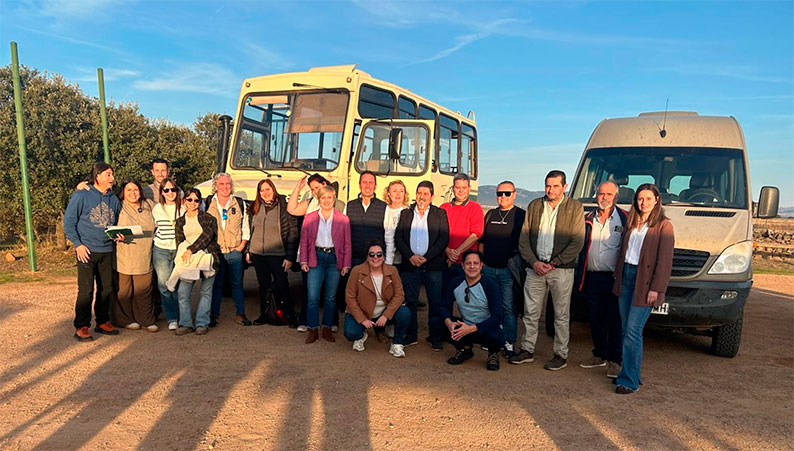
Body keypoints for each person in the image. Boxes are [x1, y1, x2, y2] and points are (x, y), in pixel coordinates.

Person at [510, 170, 585, 371]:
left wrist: (555, 263)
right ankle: (527, 349)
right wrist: (533, 262)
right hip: (535, 268)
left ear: (564, 187)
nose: (550, 190)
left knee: (561, 314)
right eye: (548, 185)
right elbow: (524, 238)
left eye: (555, 186)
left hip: (561, 270)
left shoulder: (575, 207)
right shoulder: (534, 206)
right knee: (530, 312)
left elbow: (577, 241)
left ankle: (560, 354)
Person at [613, 184, 674, 394]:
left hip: (645, 282)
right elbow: (624, 252)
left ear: (657, 200)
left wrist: (656, 289)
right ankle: (632, 373)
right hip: (626, 278)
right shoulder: (631, 222)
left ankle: (628, 380)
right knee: (625, 330)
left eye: (648, 198)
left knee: (633, 330)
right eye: (640, 198)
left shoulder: (663, 226)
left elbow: (664, 262)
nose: (644, 202)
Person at [64, 161, 121, 341]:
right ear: (97, 176)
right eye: (108, 175)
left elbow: (116, 223)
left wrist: (117, 235)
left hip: (106, 250)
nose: (112, 178)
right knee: (86, 290)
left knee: (106, 289)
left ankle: (103, 321)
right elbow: (69, 222)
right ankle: (81, 326)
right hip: (86, 250)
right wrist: (77, 244)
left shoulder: (114, 199)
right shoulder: (82, 195)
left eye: (112, 174)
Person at [575, 182, 627, 379]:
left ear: (616, 197)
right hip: (591, 276)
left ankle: (615, 360)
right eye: (601, 193)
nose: (604, 197)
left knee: (615, 320)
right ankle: (599, 354)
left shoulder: (625, 219)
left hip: (614, 278)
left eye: (609, 194)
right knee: (595, 318)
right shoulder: (587, 218)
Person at [395, 181, 450, 351]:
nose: (422, 196)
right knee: (410, 301)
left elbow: (443, 238)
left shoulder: (440, 214)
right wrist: (410, 256)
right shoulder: (406, 213)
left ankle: (435, 337)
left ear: (432, 196)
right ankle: (411, 335)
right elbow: (399, 238)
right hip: (410, 265)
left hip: (433, 265)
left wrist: (426, 258)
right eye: (419, 193)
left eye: (426, 194)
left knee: (435, 302)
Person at [288, 173, 344, 332]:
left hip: (332, 253)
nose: (314, 191)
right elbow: (291, 209)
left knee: (331, 291)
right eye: (312, 189)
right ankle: (306, 321)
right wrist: (297, 189)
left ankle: (331, 322)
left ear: (325, 184)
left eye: (317, 187)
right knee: (309, 290)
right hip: (313, 253)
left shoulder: (339, 204)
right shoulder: (310, 203)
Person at [479, 180, 526, 358]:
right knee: (490, 305)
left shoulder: (521, 215)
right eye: (500, 193)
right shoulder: (490, 214)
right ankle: (492, 338)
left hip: (508, 270)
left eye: (507, 193)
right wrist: (481, 262)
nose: (503, 197)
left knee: (508, 306)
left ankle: (508, 340)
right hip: (489, 267)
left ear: (514, 194)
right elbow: (482, 241)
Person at [299, 185, 351, 343]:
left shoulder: (343, 219)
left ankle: (327, 327)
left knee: (330, 296)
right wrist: (303, 260)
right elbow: (304, 241)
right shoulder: (310, 217)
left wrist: (346, 264)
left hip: (335, 258)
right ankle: (312, 328)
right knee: (312, 296)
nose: (327, 201)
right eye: (323, 198)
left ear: (334, 199)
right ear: (319, 199)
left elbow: (347, 244)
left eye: (329, 197)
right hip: (317, 257)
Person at [245, 179, 299, 326]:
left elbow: (292, 233)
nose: (265, 193)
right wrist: (249, 250)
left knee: (282, 285)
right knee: (263, 286)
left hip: (277, 254)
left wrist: (290, 257)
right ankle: (264, 314)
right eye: (262, 190)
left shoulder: (284, 207)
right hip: (258, 254)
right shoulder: (254, 208)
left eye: (267, 189)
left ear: (273, 190)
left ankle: (290, 315)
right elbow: (251, 230)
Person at [344, 240, 410, 358]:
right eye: (372, 254)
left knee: (405, 312)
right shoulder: (356, 271)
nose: (376, 257)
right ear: (367, 257)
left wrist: (386, 315)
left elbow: (399, 295)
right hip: (363, 313)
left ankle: (397, 343)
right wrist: (362, 319)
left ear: (384, 256)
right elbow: (350, 297)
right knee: (350, 333)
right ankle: (361, 336)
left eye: (379, 254)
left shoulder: (392, 271)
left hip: (383, 313)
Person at [442, 250, 504, 371]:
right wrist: (449, 323)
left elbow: (498, 316)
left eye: (475, 263)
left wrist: (472, 328)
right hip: (466, 324)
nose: (472, 267)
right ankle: (465, 349)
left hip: (486, 327)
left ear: (481, 266)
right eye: (468, 263)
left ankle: (493, 354)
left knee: (496, 335)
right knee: (439, 322)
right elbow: (444, 306)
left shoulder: (490, 285)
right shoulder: (456, 282)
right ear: (462, 265)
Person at [204, 172, 251, 326]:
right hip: (216, 251)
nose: (225, 187)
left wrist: (241, 246)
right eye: (221, 184)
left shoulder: (239, 203)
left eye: (227, 184)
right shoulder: (208, 202)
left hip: (234, 251)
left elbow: (245, 226)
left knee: (237, 283)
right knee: (216, 283)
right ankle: (214, 315)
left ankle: (240, 314)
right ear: (215, 186)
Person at [173, 188, 221, 335]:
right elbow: (179, 242)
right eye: (190, 199)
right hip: (189, 261)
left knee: (206, 292)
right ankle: (186, 323)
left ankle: (202, 322)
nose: (193, 203)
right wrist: (186, 253)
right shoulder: (180, 221)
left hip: (206, 257)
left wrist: (191, 249)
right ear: (184, 201)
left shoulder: (208, 218)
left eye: (196, 200)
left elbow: (208, 235)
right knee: (182, 292)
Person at [111, 179, 158, 332]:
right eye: (129, 190)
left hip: (144, 254)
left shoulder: (149, 205)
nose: (133, 193)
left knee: (143, 290)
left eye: (135, 189)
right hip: (123, 254)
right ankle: (124, 319)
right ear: (123, 193)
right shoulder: (118, 206)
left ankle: (146, 320)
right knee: (124, 291)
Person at [440, 173, 484, 291]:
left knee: (466, 299)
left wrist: (455, 254)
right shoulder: (443, 208)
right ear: (453, 188)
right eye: (457, 187)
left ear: (469, 189)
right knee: (444, 298)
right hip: (445, 261)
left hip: (466, 264)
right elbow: (437, 234)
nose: (461, 191)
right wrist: (448, 251)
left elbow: (476, 234)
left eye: (464, 188)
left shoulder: (475, 208)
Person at [151, 178, 184, 331]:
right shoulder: (156, 208)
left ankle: (181, 316)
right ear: (162, 192)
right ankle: (172, 317)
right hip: (161, 249)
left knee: (177, 285)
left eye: (173, 190)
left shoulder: (183, 208)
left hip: (178, 249)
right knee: (164, 285)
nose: (170, 193)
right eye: (166, 190)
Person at [382, 180, 409, 265]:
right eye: (394, 191)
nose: (398, 194)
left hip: (403, 259)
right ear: (388, 194)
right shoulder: (384, 209)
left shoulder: (409, 211)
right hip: (384, 257)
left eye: (401, 191)